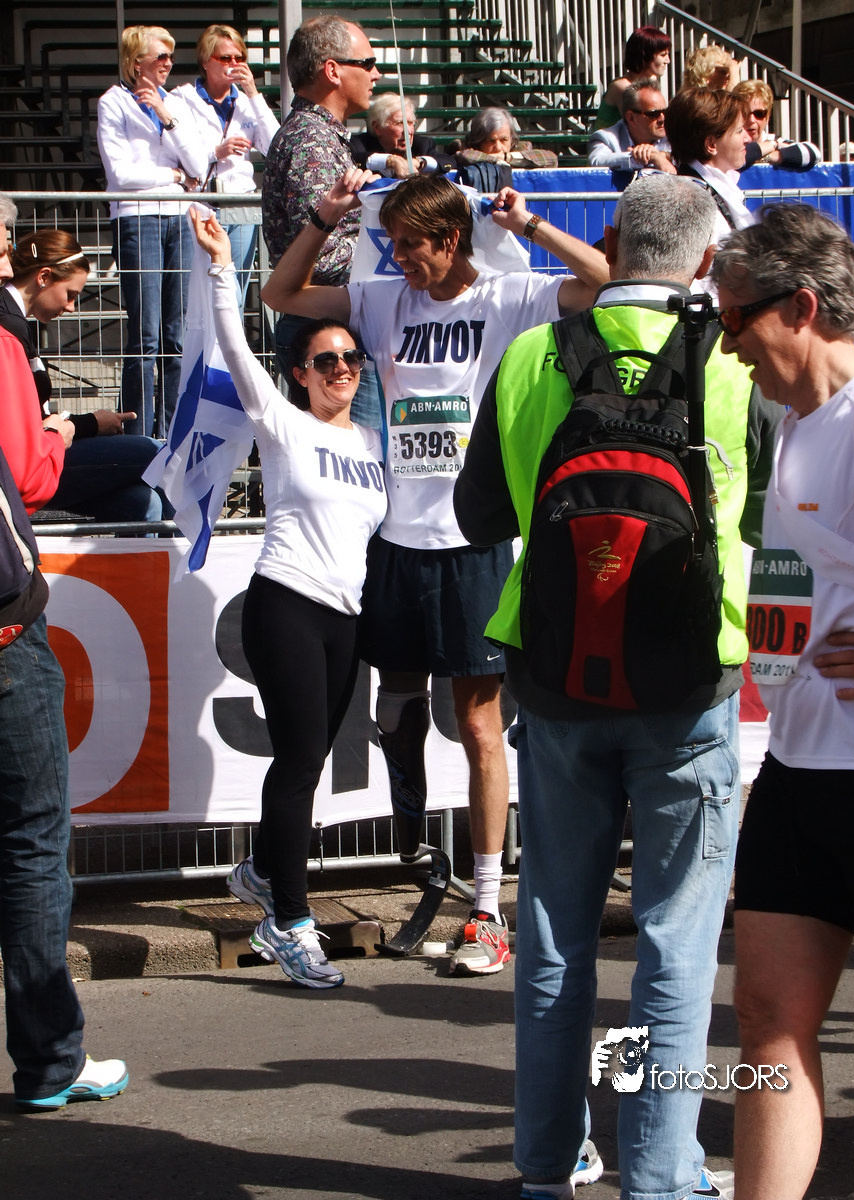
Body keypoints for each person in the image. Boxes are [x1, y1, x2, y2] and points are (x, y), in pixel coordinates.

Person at [453, 173, 779, 1199]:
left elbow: (477, 516)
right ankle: (659, 1171)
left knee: (554, 938)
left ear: (612, 241)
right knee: (676, 946)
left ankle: (548, 1166)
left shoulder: (534, 354)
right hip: (691, 680)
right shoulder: (732, 364)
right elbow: (765, 520)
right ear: (705, 260)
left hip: (556, 674)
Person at [261, 169, 610, 976]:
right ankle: (417, 848)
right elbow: (282, 296)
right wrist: (324, 219)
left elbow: (603, 283)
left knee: (481, 726)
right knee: (395, 710)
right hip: (394, 539)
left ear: (451, 240)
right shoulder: (383, 300)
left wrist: (530, 226)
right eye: (393, 244)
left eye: (412, 246)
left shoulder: (509, 295)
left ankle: (487, 910)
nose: (400, 259)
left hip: (471, 537)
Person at [710, 203, 854, 1200]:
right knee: (765, 1020)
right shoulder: (795, 423)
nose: (726, 343)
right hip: (800, 770)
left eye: (736, 318)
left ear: (802, 307)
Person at [189, 206, 386, 989]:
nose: (341, 369)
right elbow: (237, 349)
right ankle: (289, 921)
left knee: (312, 757)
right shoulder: (283, 422)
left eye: (350, 359)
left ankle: (266, 871)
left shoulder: (371, 443)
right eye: (325, 360)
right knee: (300, 761)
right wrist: (218, 269)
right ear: (301, 373)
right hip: (286, 603)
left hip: (347, 617)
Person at [0, 204, 128, 1110]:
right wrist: (65, 433)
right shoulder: (4, 339)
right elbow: (32, 476)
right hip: (7, 632)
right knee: (34, 845)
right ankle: (50, 1062)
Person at [261, 15, 382, 428]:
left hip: (329, 325)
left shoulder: (319, 136)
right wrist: (393, 254)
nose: (376, 74)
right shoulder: (311, 141)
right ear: (332, 70)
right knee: (352, 453)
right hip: (324, 333)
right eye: (367, 63)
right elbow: (323, 257)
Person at [0, 228, 166, 525]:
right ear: (44, 277)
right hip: (27, 469)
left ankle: (164, 553)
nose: (71, 307)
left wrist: (91, 423)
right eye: (70, 295)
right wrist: (88, 424)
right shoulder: (8, 325)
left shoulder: (15, 320)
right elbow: (29, 430)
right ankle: (193, 550)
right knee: (157, 452)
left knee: (144, 503)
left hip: (37, 456)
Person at [97, 25, 207, 439]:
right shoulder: (113, 102)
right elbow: (121, 175)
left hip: (178, 217)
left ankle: (174, 430)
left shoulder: (173, 101)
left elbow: (199, 166)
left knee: (175, 335)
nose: (168, 63)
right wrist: (174, 176)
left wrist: (166, 116)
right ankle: (139, 434)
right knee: (145, 334)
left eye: (171, 56)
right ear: (135, 60)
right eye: (160, 56)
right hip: (136, 217)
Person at [172, 24, 280, 307]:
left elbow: (275, 147)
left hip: (239, 202)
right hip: (201, 205)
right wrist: (215, 152)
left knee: (234, 293)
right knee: (199, 293)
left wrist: (253, 93)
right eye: (225, 58)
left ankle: (231, 337)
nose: (234, 64)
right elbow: (179, 151)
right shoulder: (182, 98)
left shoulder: (246, 102)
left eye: (239, 58)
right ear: (206, 61)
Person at [667, 88, 754, 296]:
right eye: (739, 131)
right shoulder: (693, 202)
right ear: (711, 144)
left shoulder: (709, 189)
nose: (748, 138)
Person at [350, 93, 453, 177]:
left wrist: (419, 162)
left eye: (411, 123)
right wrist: (390, 160)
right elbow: (357, 159)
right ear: (377, 127)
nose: (408, 131)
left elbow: (448, 161)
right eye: (399, 123)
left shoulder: (423, 145)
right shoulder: (359, 145)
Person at [587, 78, 674, 176]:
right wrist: (639, 157)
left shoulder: (673, 134)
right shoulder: (606, 138)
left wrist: (663, 155)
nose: (662, 119)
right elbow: (597, 162)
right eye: (654, 114)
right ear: (631, 118)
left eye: (665, 112)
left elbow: (686, 157)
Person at [593, 25, 671, 130]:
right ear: (644, 56)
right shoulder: (621, 86)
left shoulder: (651, 79)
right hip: (612, 140)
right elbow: (638, 127)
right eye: (663, 55)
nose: (668, 60)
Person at [732, 80, 822, 171]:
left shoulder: (774, 140)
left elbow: (814, 153)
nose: (752, 120)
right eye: (745, 113)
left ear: (767, 117)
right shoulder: (728, 142)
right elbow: (736, 158)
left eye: (759, 114)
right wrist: (772, 145)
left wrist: (770, 157)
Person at [456, 106, 558, 170]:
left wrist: (506, 157)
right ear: (478, 141)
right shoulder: (464, 148)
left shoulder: (521, 147)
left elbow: (551, 159)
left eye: (504, 140)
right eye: (491, 141)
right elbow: (464, 155)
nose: (498, 147)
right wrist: (496, 160)